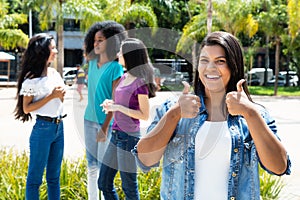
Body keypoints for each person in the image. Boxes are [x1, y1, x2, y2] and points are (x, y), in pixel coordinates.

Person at [132, 31, 291, 200]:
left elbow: (279, 167)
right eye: (204, 60)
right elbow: (145, 160)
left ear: (234, 65)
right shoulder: (171, 109)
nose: (210, 68)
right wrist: (175, 114)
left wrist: (250, 113)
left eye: (220, 61)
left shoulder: (255, 114)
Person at [98, 38, 157, 199]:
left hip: (129, 138)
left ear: (129, 55)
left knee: (129, 187)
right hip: (116, 135)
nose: (118, 54)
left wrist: (118, 108)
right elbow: (121, 103)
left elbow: (144, 115)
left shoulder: (141, 83)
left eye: (121, 52)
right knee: (103, 182)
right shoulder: (124, 77)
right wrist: (111, 104)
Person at [14, 33, 66, 200]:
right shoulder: (31, 79)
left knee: (54, 178)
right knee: (35, 180)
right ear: (43, 51)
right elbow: (27, 108)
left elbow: (60, 99)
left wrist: (60, 95)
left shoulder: (54, 73)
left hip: (59, 127)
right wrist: (51, 96)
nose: (56, 51)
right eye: (53, 48)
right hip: (43, 128)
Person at [83, 20, 127, 200]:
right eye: (94, 40)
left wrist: (105, 127)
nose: (96, 44)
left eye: (101, 40)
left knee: (102, 167)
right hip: (88, 120)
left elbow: (115, 101)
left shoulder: (116, 68)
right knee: (91, 165)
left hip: (105, 123)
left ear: (110, 42)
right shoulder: (92, 63)